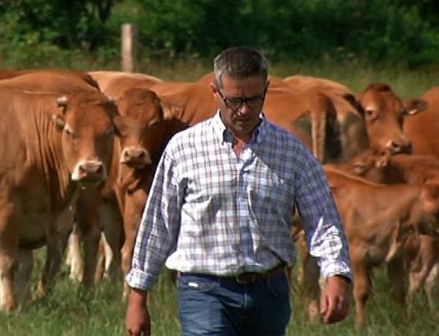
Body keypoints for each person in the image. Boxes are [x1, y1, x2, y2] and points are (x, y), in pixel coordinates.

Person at [124, 47, 352, 336]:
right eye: (234, 100)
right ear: (215, 91)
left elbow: (323, 218)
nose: (244, 110)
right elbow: (158, 223)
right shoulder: (184, 148)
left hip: (269, 291)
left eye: (254, 99)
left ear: (266, 90)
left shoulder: (291, 152)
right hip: (204, 290)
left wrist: (336, 274)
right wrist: (137, 295)